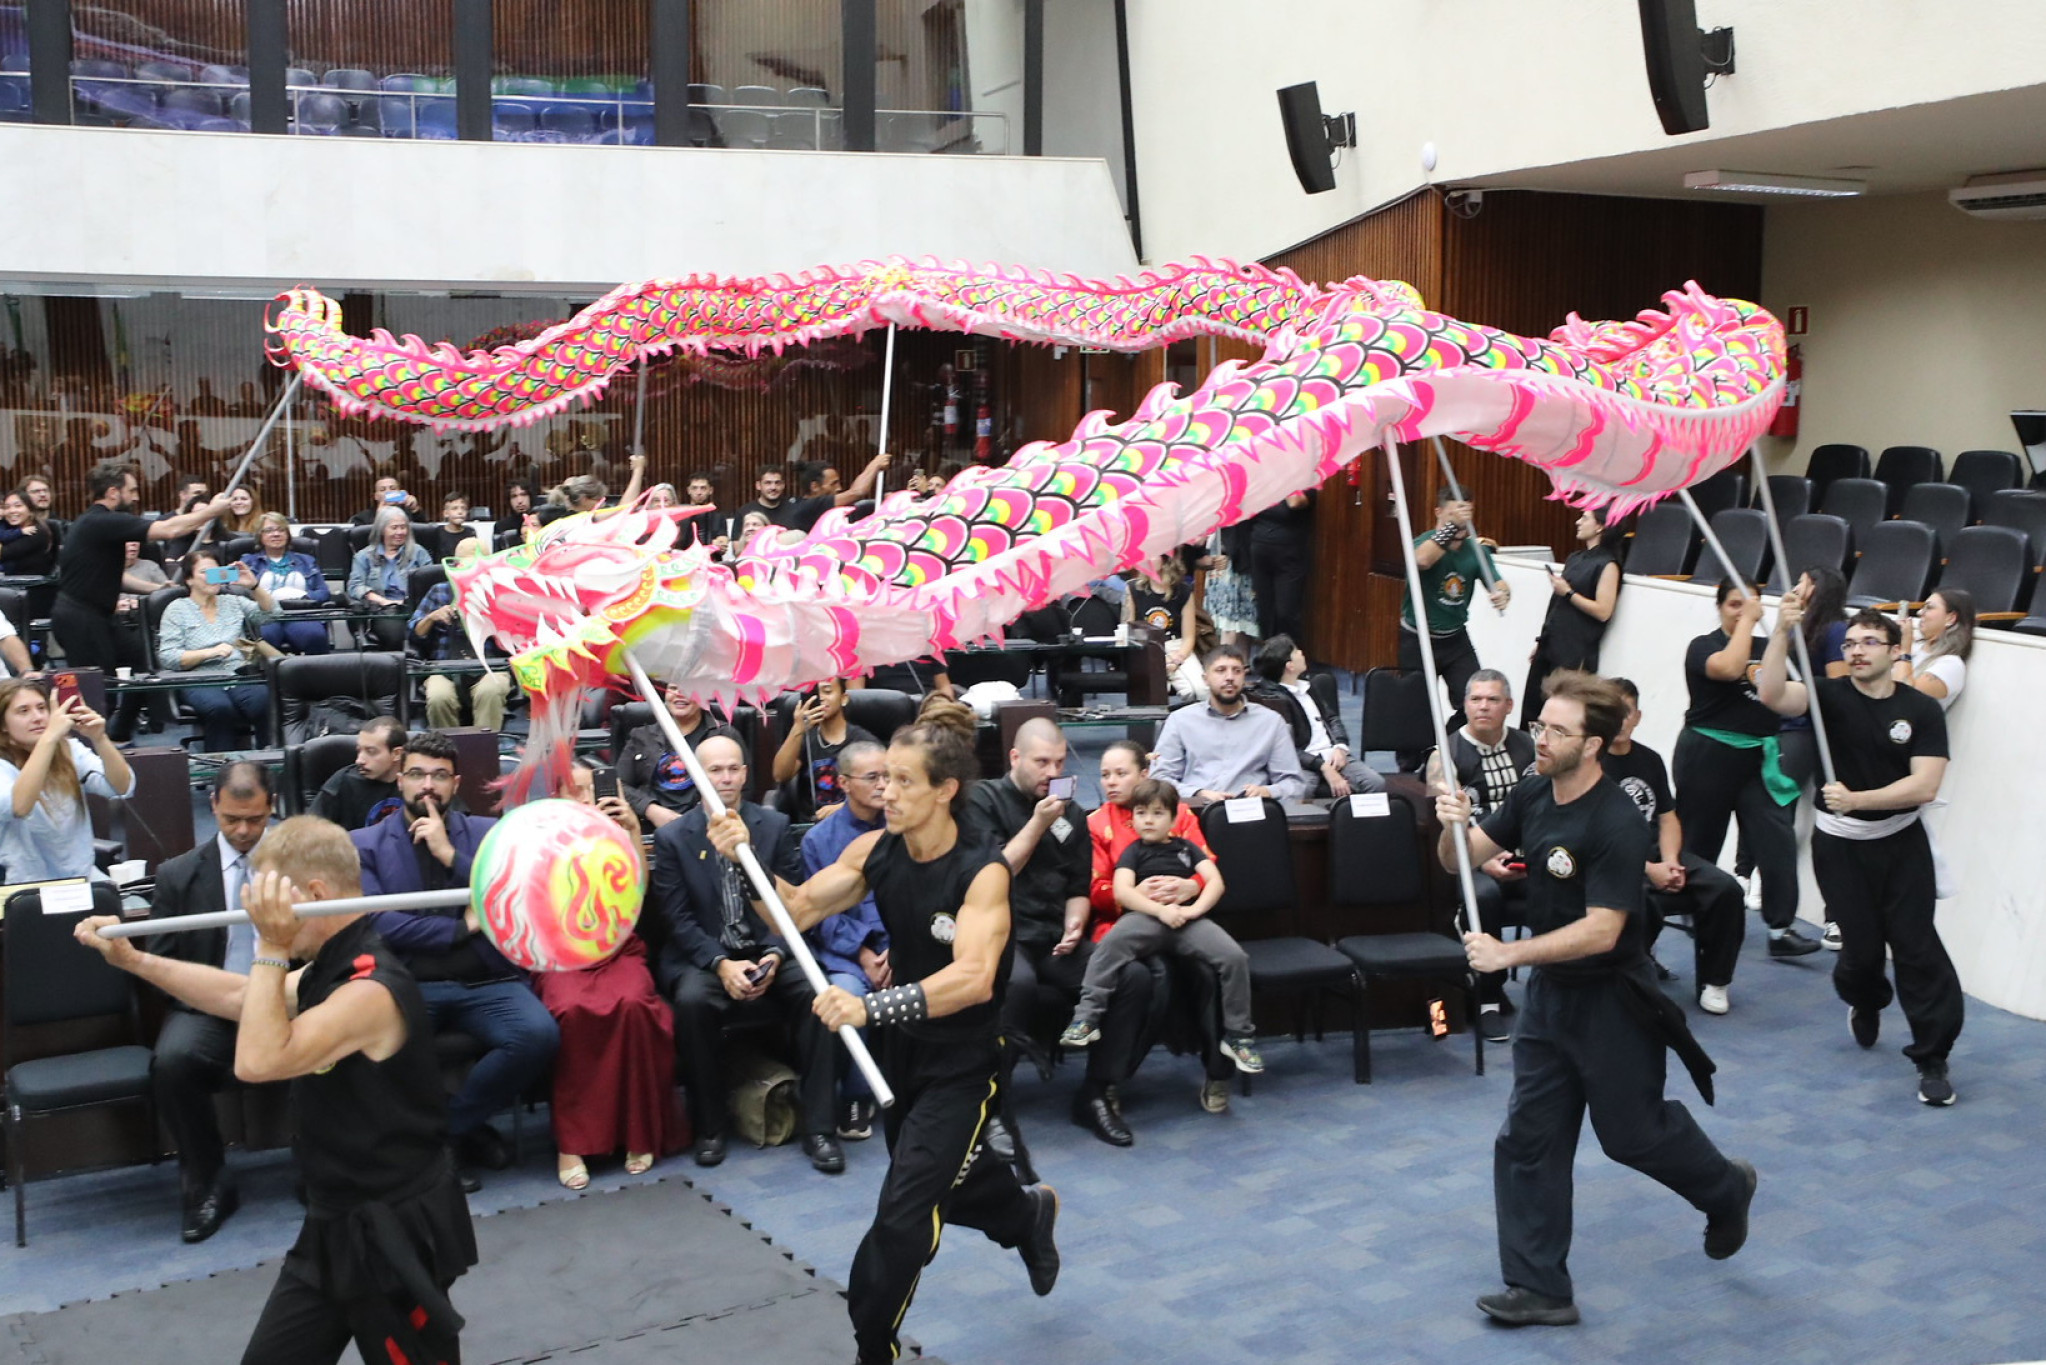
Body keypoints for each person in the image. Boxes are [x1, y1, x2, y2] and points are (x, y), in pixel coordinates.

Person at [705, 713, 1059, 1365]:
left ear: (945, 788)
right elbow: (797, 907)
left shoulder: (983, 871)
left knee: (904, 1212)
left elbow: (976, 978)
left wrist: (872, 1007)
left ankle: (875, 1347)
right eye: (883, 778)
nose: (885, 792)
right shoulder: (876, 850)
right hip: (902, 1056)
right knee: (944, 1185)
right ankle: (1025, 1215)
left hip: (964, 1061)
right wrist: (739, 861)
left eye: (902, 780)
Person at [74, 816, 476, 1365]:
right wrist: (136, 960)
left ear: (314, 895)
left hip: (394, 1232)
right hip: (334, 1222)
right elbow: (244, 1000)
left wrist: (269, 943)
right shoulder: (330, 966)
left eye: (271, 899)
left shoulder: (371, 990)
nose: (263, 913)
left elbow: (259, 1061)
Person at [1436, 669, 1755, 1327]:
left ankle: (1726, 1186)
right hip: (1553, 1000)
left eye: (1557, 730)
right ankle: (1539, 1286)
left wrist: (1509, 954)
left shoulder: (1617, 820)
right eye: (1539, 725)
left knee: (1632, 1136)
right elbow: (1458, 859)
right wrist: (1450, 824)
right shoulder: (1533, 790)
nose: (1541, 738)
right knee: (1528, 1136)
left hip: (1614, 999)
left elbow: (1604, 927)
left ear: (1596, 744)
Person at [1759, 600, 1961, 1106]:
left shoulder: (1920, 709)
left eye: (1869, 642)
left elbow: (1925, 784)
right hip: (1841, 849)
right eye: (1849, 643)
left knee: (1916, 949)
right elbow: (1771, 694)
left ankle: (1932, 1057)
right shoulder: (1827, 695)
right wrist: (1782, 632)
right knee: (1861, 952)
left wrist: (1859, 800)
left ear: (1896, 651)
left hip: (1901, 844)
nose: (1856, 651)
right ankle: (1865, 1000)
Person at [354, 730, 560, 1189]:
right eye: (418, 774)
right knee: (370, 1048)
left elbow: (519, 897)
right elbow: (382, 924)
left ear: (456, 782)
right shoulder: (363, 843)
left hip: (487, 982)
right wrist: (463, 926)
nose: (428, 785)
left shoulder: (490, 835)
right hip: (409, 985)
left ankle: (444, 1134)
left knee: (537, 1036)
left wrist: (450, 855)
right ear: (400, 780)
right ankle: (458, 1137)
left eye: (440, 776)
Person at [644, 734, 841, 1173]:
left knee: (820, 994)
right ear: (698, 775)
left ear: (747, 773)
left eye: (734, 768)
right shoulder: (674, 837)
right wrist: (721, 963)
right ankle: (709, 1126)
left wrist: (773, 954)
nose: (726, 777)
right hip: (707, 957)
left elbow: (795, 903)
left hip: (768, 947)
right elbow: (678, 922)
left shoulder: (772, 826)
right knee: (693, 1003)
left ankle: (821, 1128)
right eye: (715, 769)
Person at [976, 717, 1153, 1147]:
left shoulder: (1070, 810)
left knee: (1133, 978)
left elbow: (1078, 885)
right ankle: (991, 1107)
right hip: (1002, 932)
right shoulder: (983, 799)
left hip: (1054, 936)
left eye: (1058, 763)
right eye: (1041, 763)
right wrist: (1037, 823)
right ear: (1015, 757)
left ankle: (1096, 1092)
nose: (1053, 774)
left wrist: (1076, 918)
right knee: (1016, 984)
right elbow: (992, 873)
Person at [136, 761, 275, 1243]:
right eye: (232, 818)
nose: (242, 830)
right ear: (212, 805)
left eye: (255, 819)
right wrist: (210, 995)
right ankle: (207, 1179)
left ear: (271, 808)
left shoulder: (295, 864)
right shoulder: (177, 875)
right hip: (209, 1007)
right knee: (171, 1063)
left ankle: (329, 1167)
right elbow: (161, 962)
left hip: (284, 999)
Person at [536, 760, 689, 1189]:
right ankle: (573, 1142)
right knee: (568, 1010)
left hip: (617, 947)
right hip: (560, 953)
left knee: (636, 1005)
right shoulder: (537, 838)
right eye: (574, 791)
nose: (584, 799)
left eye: (590, 789)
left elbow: (637, 897)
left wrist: (632, 833)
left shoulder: (616, 831)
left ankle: (636, 1132)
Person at [1060, 776, 1261, 1066]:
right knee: (1108, 948)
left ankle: (1238, 1036)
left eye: (1157, 813)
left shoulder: (1187, 848)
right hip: (1144, 918)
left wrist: (1193, 911)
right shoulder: (1133, 851)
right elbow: (1123, 891)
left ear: (1172, 817)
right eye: (1141, 813)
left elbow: (1215, 882)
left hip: (1186, 921)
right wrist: (1159, 911)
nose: (1148, 821)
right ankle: (1086, 1018)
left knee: (1234, 958)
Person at [1085, 739, 1237, 1113]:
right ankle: (1110, 1081)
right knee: (1149, 979)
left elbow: (1208, 869)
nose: (1111, 782)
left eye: (1121, 773)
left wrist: (1190, 886)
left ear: (1144, 774)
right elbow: (1095, 889)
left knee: (1209, 972)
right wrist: (1134, 893)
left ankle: (1219, 1073)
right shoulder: (1094, 823)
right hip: (1127, 926)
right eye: (1105, 775)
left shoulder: (1180, 814)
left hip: (1183, 919)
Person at [1672, 579, 1820, 957]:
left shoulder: (1769, 648)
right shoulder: (1702, 646)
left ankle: (1780, 927)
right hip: (1708, 753)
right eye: (1734, 604)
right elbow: (1728, 668)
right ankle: (1695, 910)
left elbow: (1783, 692)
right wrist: (1750, 622)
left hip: (1759, 757)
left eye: (1748, 604)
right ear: (1719, 607)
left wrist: (1782, 629)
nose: (1741, 611)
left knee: (1776, 838)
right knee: (1700, 841)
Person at [1602, 679, 1747, 1015]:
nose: (1619, 720)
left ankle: (1716, 981)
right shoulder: (1588, 764)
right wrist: (1649, 870)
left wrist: (1670, 862)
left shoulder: (1649, 759)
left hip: (1657, 854)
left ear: (1637, 717)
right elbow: (1591, 836)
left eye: (1625, 713)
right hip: (1612, 859)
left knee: (1725, 889)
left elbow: (1667, 818)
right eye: (1610, 712)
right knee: (1640, 900)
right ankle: (1630, 978)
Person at [1426, 669, 1537, 1041]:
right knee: (1485, 897)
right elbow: (1447, 824)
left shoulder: (1530, 747)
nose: (1483, 707)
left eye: (1492, 700)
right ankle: (1487, 999)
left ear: (1509, 706)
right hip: (1473, 859)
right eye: (1475, 699)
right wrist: (1483, 858)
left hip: (1529, 857)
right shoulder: (1446, 754)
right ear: (1465, 705)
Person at [54, 460, 228, 676]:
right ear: (113, 492)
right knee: (96, 687)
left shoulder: (98, 523)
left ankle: (129, 712)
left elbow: (112, 576)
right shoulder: (102, 522)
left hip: (99, 615)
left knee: (142, 665)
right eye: (132, 490)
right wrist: (212, 511)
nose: (136, 497)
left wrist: (157, 588)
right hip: (81, 618)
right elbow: (169, 530)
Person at [800, 739, 890, 1141]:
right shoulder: (819, 841)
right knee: (848, 994)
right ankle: (856, 1096)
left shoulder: (906, 828)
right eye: (873, 777)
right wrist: (865, 953)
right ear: (843, 783)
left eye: (889, 776)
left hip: (900, 945)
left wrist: (898, 948)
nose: (884, 786)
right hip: (847, 953)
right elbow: (820, 915)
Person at [1400, 486, 1508, 744]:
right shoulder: (1421, 542)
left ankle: (1448, 745)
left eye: (1466, 514)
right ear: (1438, 512)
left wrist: (1503, 594)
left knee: (1474, 697)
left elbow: (1499, 583)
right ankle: (1411, 762)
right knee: (1416, 708)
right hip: (1418, 637)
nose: (1462, 521)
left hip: (1455, 639)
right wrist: (1450, 529)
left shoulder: (1476, 550)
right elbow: (1422, 561)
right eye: (1454, 514)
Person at [0, 676, 134, 883]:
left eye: (42, 708)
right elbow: (19, 806)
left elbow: (121, 786)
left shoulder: (68, 749)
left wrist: (99, 739)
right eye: (23, 711)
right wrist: (49, 738)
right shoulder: (3, 765)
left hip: (81, 877)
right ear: (3, 725)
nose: (37, 718)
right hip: (21, 885)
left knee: (133, 906)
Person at [1149, 645, 1307, 805]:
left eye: (1237, 671)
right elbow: (1159, 779)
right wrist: (1198, 793)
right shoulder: (1180, 720)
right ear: (1205, 679)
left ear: (1245, 678)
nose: (1230, 677)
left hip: (1253, 813)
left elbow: (1294, 785)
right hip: (1197, 810)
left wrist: (1268, 792)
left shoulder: (1270, 722)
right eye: (1220, 670)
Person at [157, 546, 276, 752]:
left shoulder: (233, 601)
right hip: (198, 678)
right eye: (204, 572)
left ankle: (270, 766)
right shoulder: (176, 609)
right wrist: (208, 653)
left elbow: (272, 614)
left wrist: (254, 586)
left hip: (237, 674)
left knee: (264, 701)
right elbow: (168, 656)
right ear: (189, 579)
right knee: (220, 709)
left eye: (215, 571)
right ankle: (219, 770)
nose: (212, 577)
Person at [1248, 633, 1384, 798]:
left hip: (1332, 753)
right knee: (1298, 792)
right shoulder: (1273, 700)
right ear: (1290, 665)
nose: (1302, 653)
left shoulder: (1309, 687)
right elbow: (1288, 749)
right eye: (1297, 651)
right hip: (1303, 762)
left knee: (1375, 783)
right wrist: (1323, 767)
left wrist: (1340, 747)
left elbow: (1332, 719)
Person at [1522, 506, 1623, 727]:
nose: (1578, 522)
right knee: (1531, 709)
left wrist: (1568, 592)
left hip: (1574, 651)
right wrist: (1541, 641)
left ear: (1600, 526)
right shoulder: (1575, 557)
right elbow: (1556, 607)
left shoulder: (1608, 564)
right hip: (1551, 643)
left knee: (1561, 713)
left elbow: (1604, 611)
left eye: (1584, 518)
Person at [412, 538, 512, 731]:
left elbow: (517, 639)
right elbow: (414, 633)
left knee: (489, 692)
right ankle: (447, 749)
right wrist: (432, 618)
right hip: (444, 666)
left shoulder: (502, 592)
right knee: (438, 697)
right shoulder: (439, 591)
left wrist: (493, 618)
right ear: (455, 565)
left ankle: (484, 750)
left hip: (491, 665)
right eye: (464, 564)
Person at [616, 682, 740, 827]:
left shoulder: (724, 734)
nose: (680, 694)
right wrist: (651, 809)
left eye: (689, 689)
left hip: (709, 826)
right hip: (651, 828)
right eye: (673, 688)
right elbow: (619, 785)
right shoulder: (642, 736)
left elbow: (742, 788)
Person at [771, 677, 877, 824]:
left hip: (853, 823)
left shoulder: (864, 742)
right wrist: (797, 729)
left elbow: (878, 788)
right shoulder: (805, 738)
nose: (821, 698)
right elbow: (780, 775)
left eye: (828, 691)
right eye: (816, 693)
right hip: (811, 826)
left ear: (844, 698)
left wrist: (845, 807)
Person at [240, 511, 332, 656]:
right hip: (265, 616)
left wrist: (303, 596)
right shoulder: (248, 562)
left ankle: (316, 677)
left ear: (288, 535)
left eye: (281, 530)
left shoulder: (306, 561)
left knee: (316, 636)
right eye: (269, 530)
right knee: (265, 638)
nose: (276, 534)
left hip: (300, 614)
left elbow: (324, 593)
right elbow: (240, 594)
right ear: (260, 536)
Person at [310, 716, 407, 831]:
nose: (359, 760)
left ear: (397, 754)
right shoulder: (343, 781)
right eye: (359, 750)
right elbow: (311, 831)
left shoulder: (418, 781)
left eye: (371, 752)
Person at [1247, 484, 1315, 645]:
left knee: (1286, 612)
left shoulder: (1306, 482)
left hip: (1290, 554)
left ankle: (1293, 658)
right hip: (1260, 549)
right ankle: (1269, 659)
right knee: (1265, 611)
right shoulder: (1267, 481)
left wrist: (1286, 477)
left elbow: (1295, 503)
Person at [1896, 587, 1973, 711]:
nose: (1920, 612)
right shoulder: (1914, 646)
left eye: (1929, 607)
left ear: (1950, 618)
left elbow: (1904, 695)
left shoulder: (1951, 664)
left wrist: (1905, 650)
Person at [417, 491, 477, 562]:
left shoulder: (470, 532)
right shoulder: (437, 532)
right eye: (455, 508)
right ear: (446, 513)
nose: (460, 512)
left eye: (463, 508)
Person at [349, 474, 421, 526]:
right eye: (382, 489)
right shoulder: (362, 518)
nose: (388, 492)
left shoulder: (408, 512)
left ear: (399, 492)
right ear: (375, 496)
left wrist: (415, 510)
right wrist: (379, 517)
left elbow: (425, 534)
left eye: (393, 488)